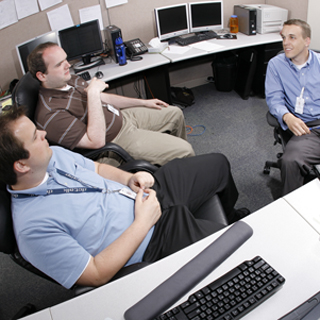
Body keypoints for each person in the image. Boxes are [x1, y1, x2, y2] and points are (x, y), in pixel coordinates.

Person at [0, 105, 249, 289]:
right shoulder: (33, 229)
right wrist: (143, 221)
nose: (44, 133)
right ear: (21, 166)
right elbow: (96, 274)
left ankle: (228, 214)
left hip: (143, 194)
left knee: (218, 164)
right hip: (151, 238)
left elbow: (97, 169)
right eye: (35, 137)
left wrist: (128, 179)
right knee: (237, 254)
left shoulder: (53, 155)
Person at [26, 42, 195, 166]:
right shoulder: (50, 114)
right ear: (42, 76)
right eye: (59, 64)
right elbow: (96, 142)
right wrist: (92, 93)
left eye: (65, 60)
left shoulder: (69, 80)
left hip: (122, 117)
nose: (68, 66)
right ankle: (181, 169)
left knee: (174, 113)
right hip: (116, 139)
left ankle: (173, 165)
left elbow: (105, 99)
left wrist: (144, 102)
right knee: (185, 150)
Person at [265, 19, 320, 195]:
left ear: (307, 41)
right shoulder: (276, 65)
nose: (286, 43)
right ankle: (291, 209)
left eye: (292, 37)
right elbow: (274, 99)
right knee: (290, 161)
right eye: (283, 37)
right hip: (306, 130)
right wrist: (287, 116)